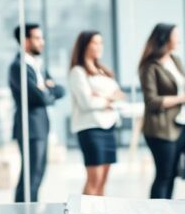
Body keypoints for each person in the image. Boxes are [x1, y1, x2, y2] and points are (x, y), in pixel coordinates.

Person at [138, 23, 185, 199]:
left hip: (182, 125)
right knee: (163, 174)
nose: (179, 39)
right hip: (160, 129)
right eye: (175, 35)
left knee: (173, 173)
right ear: (164, 38)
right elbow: (152, 101)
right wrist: (183, 98)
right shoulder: (149, 66)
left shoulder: (176, 60)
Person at [9, 23, 65, 202]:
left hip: (40, 126)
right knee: (30, 176)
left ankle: (30, 212)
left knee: (38, 173)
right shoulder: (18, 66)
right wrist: (46, 90)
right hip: (29, 127)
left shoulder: (37, 65)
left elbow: (61, 90)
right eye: (38, 38)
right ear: (26, 41)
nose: (42, 42)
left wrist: (45, 89)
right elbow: (38, 97)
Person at [68, 31, 124, 196]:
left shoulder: (103, 71)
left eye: (101, 42)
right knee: (94, 179)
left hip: (109, 126)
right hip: (91, 128)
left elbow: (119, 96)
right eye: (95, 43)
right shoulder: (78, 72)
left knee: (103, 180)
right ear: (85, 45)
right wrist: (108, 99)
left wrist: (101, 97)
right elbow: (86, 103)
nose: (99, 47)